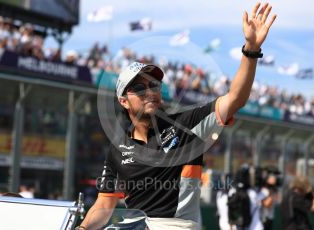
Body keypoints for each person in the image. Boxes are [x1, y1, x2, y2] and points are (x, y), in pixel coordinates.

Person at [78, 3, 276, 230]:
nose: (150, 92)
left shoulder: (186, 124)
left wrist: (250, 50)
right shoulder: (117, 149)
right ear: (123, 101)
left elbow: (235, 99)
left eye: (154, 85)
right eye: (140, 89)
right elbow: (105, 203)